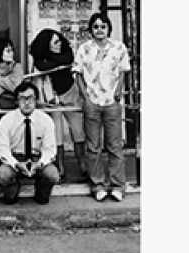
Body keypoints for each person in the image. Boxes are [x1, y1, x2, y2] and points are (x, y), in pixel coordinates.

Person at [74, 12, 132, 202]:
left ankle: (117, 185)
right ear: (91, 29)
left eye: (103, 26)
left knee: (114, 145)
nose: (99, 30)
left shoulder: (119, 48)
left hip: (111, 103)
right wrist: (85, 97)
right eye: (96, 26)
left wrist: (118, 93)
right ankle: (97, 184)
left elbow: (123, 72)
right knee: (93, 146)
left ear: (108, 28)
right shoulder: (84, 49)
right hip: (92, 102)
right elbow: (78, 74)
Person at [28, 29, 87, 182]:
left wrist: (52, 61)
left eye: (59, 40)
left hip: (70, 94)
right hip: (51, 98)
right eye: (55, 42)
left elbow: (67, 59)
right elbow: (42, 66)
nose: (60, 43)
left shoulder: (65, 53)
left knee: (78, 129)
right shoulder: (40, 60)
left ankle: (82, 164)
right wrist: (54, 62)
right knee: (57, 133)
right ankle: (60, 166)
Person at [0, 82, 60, 204]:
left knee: (52, 174)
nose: (26, 102)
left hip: (37, 158)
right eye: (22, 98)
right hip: (15, 157)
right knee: (3, 174)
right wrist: (16, 164)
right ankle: (12, 192)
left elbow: (50, 150)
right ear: (16, 101)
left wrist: (40, 164)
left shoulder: (46, 120)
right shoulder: (6, 120)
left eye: (30, 98)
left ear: (36, 100)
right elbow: (2, 149)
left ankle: (41, 193)